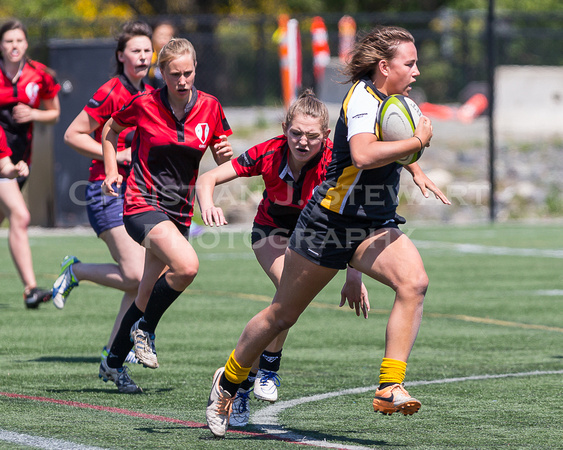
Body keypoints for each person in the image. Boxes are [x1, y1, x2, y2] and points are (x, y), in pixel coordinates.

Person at [205, 25, 451, 438]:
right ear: (384, 66)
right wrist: (415, 141)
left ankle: (389, 385)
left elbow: (392, 140)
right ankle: (228, 382)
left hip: (374, 222)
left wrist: (415, 163)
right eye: (410, 64)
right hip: (330, 222)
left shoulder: (397, 101)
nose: (417, 71)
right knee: (283, 314)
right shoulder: (360, 98)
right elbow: (363, 152)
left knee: (414, 283)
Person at [196, 89, 370, 427]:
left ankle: (239, 383)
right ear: (284, 128)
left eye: (312, 135)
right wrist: (208, 204)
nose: (303, 142)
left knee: (285, 307)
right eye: (296, 133)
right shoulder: (269, 152)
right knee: (286, 296)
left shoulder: (335, 163)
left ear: (326, 135)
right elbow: (209, 177)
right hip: (270, 232)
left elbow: (353, 220)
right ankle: (270, 366)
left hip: (313, 237)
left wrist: (355, 275)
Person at [99, 38, 233, 393]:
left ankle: (112, 363)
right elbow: (109, 130)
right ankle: (145, 330)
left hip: (179, 213)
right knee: (187, 266)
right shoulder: (143, 103)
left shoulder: (210, 107)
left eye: (188, 73)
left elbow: (223, 161)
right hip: (141, 203)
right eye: (175, 74)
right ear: (162, 73)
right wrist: (112, 170)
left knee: (145, 293)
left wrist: (224, 156)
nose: (183, 80)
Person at [53, 21, 154, 364]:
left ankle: (114, 353)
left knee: (140, 280)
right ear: (120, 56)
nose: (143, 56)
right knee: (137, 275)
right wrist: (116, 155)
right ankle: (76, 271)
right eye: (135, 50)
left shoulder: (152, 91)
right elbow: (73, 134)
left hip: (138, 192)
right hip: (105, 188)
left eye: (147, 50)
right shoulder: (113, 90)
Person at [0, 19, 60, 308]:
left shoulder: (39, 75)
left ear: (26, 43)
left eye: (19, 41)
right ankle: (31, 289)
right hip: (3, 162)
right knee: (20, 216)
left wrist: (34, 114)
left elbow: (54, 113)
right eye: (9, 41)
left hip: (22, 160)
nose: (14, 46)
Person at [148, 20, 176, 88]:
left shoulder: (176, 58)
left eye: (168, 35)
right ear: (153, 35)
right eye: (161, 35)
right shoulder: (147, 57)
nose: (164, 38)